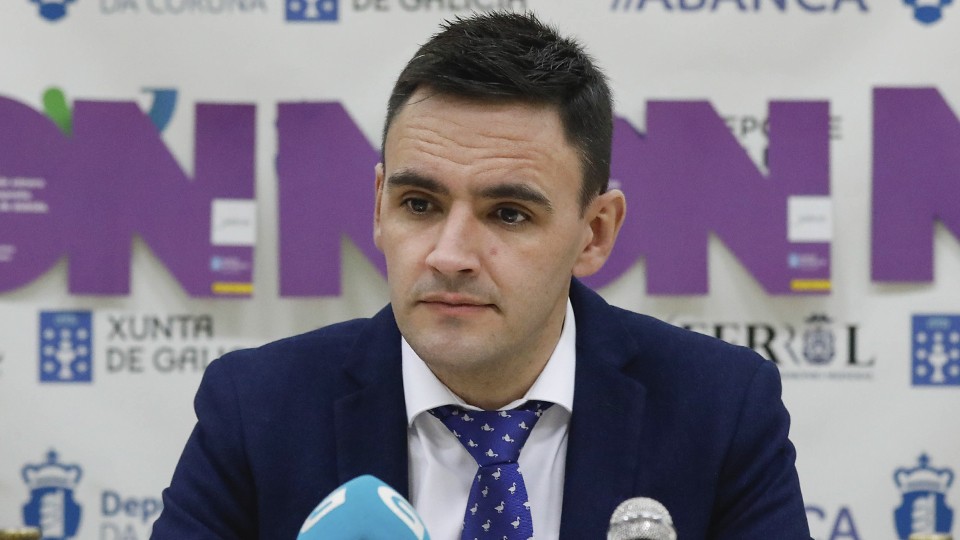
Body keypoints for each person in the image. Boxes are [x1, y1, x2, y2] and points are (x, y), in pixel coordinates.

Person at [152, 11, 810, 540]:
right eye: (419, 205)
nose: (449, 254)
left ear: (596, 231)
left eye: (508, 213)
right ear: (379, 207)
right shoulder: (257, 410)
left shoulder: (719, 410)